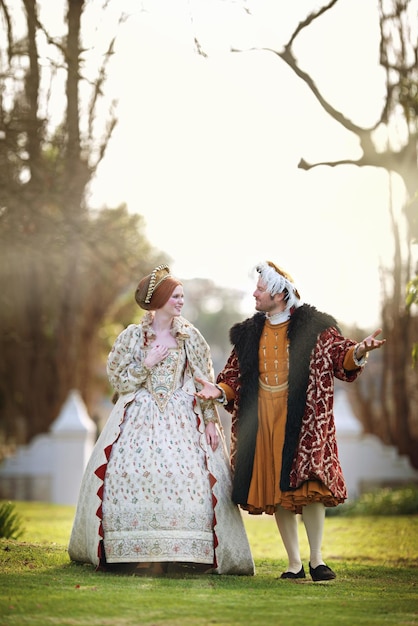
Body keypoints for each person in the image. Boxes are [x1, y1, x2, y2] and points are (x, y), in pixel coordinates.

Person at [196, 261, 386, 581]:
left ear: (279, 293)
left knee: (308, 486)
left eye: (260, 289)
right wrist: (218, 390)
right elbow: (232, 379)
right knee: (278, 487)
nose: (254, 294)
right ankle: (294, 564)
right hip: (264, 417)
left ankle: (317, 560)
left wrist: (360, 352)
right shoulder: (247, 334)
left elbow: (342, 357)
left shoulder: (316, 327)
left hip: (305, 417)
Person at [68, 264, 254, 576]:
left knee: (186, 478)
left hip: (183, 415)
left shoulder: (189, 336)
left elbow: (203, 381)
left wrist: (210, 422)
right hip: (138, 416)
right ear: (159, 300)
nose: (181, 302)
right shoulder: (132, 337)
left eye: (182, 296)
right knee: (130, 473)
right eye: (176, 296)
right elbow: (120, 381)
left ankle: (185, 553)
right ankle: (134, 553)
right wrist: (146, 362)